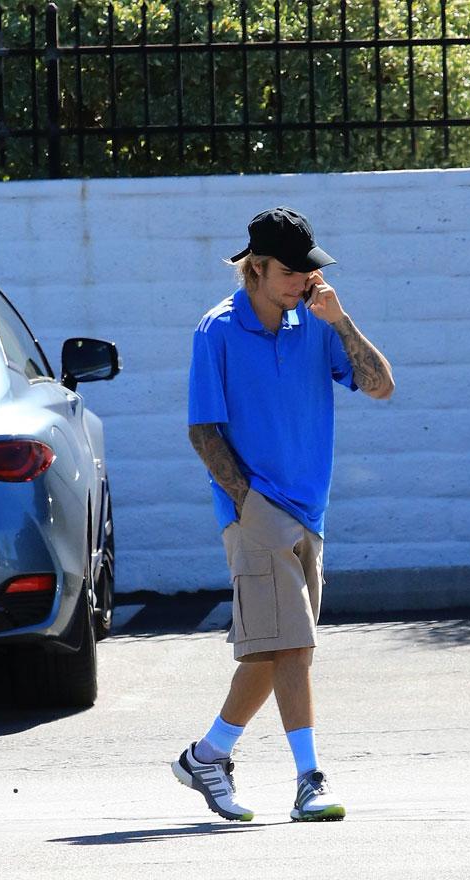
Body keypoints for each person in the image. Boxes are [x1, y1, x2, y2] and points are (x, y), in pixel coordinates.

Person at [171, 206, 395, 822]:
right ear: (258, 269)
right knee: (294, 649)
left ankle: (207, 755)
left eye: (310, 270)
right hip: (257, 510)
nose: (305, 281)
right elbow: (203, 431)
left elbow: (380, 385)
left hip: (310, 510)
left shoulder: (317, 323)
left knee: (273, 652)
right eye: (293, 272)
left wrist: (342, 320)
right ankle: (309, 781)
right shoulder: (215, 331)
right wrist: (249, 506)